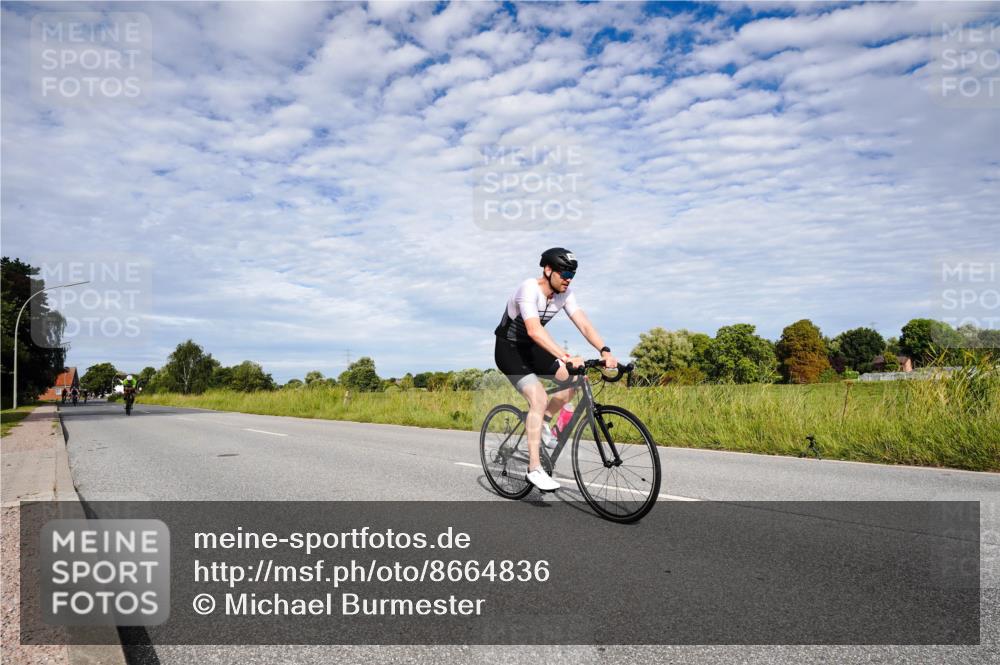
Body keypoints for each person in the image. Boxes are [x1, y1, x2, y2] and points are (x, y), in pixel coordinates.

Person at [494, 248, 618, 491]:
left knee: (575, 379)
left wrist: (605, 350)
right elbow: (534, 330)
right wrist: (565, 355)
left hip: (533, 349)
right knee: (538, 398)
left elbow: (583, 323)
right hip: (509, 350)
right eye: (564, 272)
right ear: (548, 270)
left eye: (572, 273)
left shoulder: (565, 294)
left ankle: (543, 424)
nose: (568, 278)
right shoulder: (529, 289)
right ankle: (534, 469)